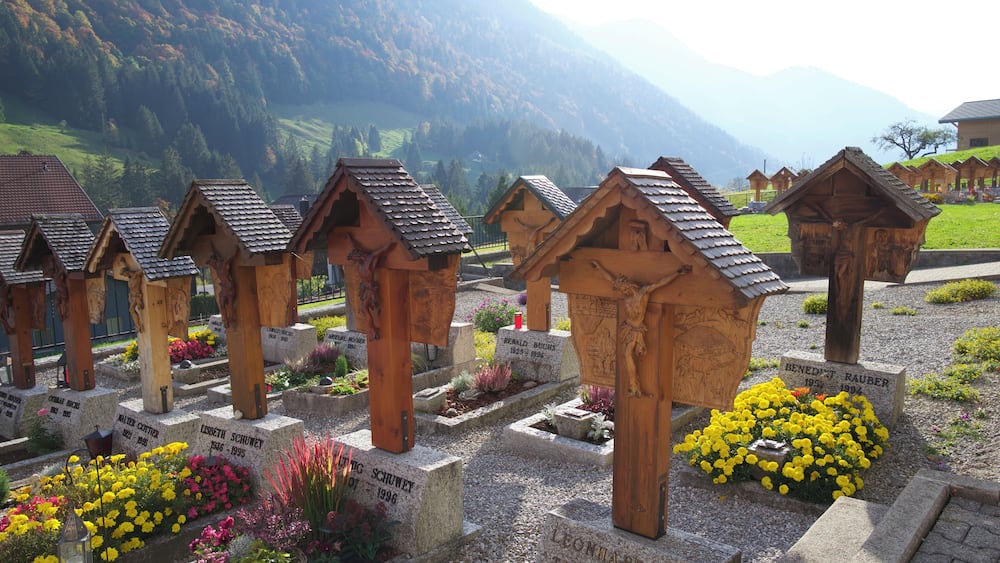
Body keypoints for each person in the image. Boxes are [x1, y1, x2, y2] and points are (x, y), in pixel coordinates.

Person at [590, 261, 692, 396]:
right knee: (626, 355)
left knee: (628, 354)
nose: (624, 292)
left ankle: (634, 385)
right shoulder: (626, 297)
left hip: (637, 330)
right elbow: (611, 279)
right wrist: (599, 267)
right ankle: (634, 384)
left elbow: (660, 283)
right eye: (622, 291)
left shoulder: (644, 293)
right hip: (627, 328)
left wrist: (677, 273)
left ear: (629, 285)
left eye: (624, 289)